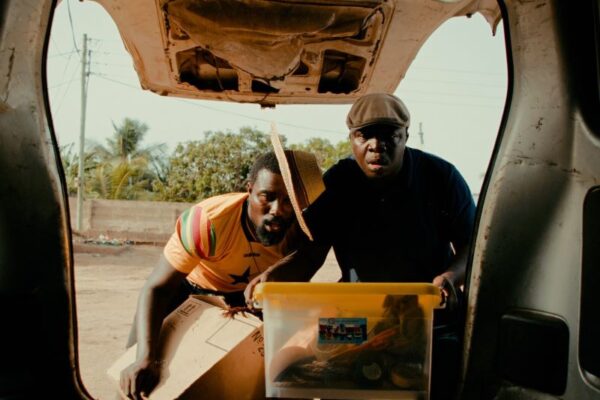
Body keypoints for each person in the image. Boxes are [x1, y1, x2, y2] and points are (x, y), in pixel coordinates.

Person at [246, 93, 476, 400]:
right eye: (364, 136)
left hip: (424, 318)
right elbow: (312, 253)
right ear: (352, 139)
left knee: (437, 375)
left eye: (390, 136)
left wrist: (449, 277)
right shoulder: (338, 182)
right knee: (318, 368)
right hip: (356, 317)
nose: (376, 146)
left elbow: (471, 246)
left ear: (405, 136)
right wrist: (274, 277)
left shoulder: (441, 177)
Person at [120, 149, 324, 400]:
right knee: (135, 376)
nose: (277, 210)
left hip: (248, 299)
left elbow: (303, 276)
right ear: (249, 189)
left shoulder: (302, 233)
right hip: (189, 290)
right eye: (267, 197)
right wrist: (144, 356)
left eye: (288, 201)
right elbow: (157, 288)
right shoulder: (208, 221)